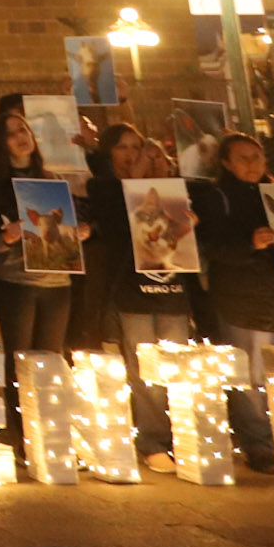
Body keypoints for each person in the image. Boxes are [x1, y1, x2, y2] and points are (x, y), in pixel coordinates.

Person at [196, 131, 274, 473]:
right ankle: (258, 443)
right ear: (225, 162)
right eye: (242, 157)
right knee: (250, 376)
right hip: (244, 300)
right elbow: (210, 247)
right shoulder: (216, 196)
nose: (252, 164)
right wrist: (250, 243)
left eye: (257, 156)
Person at [0, 110, 84, 458]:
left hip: (57, 281)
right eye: (10, 133)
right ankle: (19, 433)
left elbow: (68, 230)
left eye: (23, 129)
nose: (20, 137)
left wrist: (80, 233)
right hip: (15, 280)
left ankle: (49, 433)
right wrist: (6, 238)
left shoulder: (51, 181)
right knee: (20, 359)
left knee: (50, 360)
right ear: (1, 144)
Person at [87, 124, 196, 473]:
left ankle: (183, 437)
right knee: (142, 369)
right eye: (124, 148)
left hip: (171, 290)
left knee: (176, 366)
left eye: (139, 148)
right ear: (109, 152)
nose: (132, 155)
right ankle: (152, 440)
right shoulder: (102, 187)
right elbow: (116, 227)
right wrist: (134, 181)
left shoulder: (167, 192)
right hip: (131, 292)